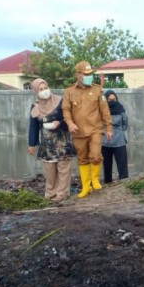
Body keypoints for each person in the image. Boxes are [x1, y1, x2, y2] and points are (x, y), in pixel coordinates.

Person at [62, 61, 113, 198]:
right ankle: (86, 186)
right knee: (82, 159)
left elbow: (105, 110)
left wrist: (109, 127)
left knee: (95, 155)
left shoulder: (97, 90)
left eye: (90, 74)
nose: (89, 76)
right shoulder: (69, 91)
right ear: (78, 74)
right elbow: (66, 109)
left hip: (95, 129)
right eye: (86, 74)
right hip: (78, 132)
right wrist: (70, 123)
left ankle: (95, 179)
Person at [28, 78, 75, 202]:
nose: (44, 91)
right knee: (50, 170)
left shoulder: (60, 101)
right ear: (36, 92)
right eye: (41, 89)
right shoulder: (35, 107)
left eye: (45, 88)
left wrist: (59, 123)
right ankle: (51, 193)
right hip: (47, 145)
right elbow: (33, 126)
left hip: (62, 141)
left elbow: (69, 118)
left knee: (63, 168)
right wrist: (32, 143)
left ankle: (63, 193)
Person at [102, 90, 129, 183]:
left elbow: (125, 124)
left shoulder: (121, 109)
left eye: (114, 99)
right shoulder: (102, 110)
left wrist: (118, 131)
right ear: (105, 100)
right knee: (106, 164)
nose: (112, 101)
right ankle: (107, 182)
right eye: (109, 99)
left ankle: (124, 182)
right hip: (105, 140)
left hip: (119, 140)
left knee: (122, 164)